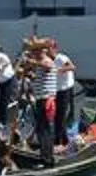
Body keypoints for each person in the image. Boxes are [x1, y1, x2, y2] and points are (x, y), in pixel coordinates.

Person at [24, 37, 57, 168]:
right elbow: (40, 77)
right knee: (41, 129)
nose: (33, 54)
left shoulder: (46, 60)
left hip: (46, 100)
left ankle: (47, 159)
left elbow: (48, 66)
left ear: (40, 51)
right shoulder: (39, 63)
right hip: (40, 99)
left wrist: (33, 62)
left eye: (35, 51)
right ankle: (44, 157)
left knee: (45, 130)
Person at [52, 41, 76, 146]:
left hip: (64, 90)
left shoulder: (61, 58)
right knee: (56, 116)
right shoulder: (48, 60)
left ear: (54, 48)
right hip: (56, 91)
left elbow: (72, 67)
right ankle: (61, 139)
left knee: (60, 117)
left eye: (48, 48)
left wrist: (58, 70)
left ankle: (61, 142)